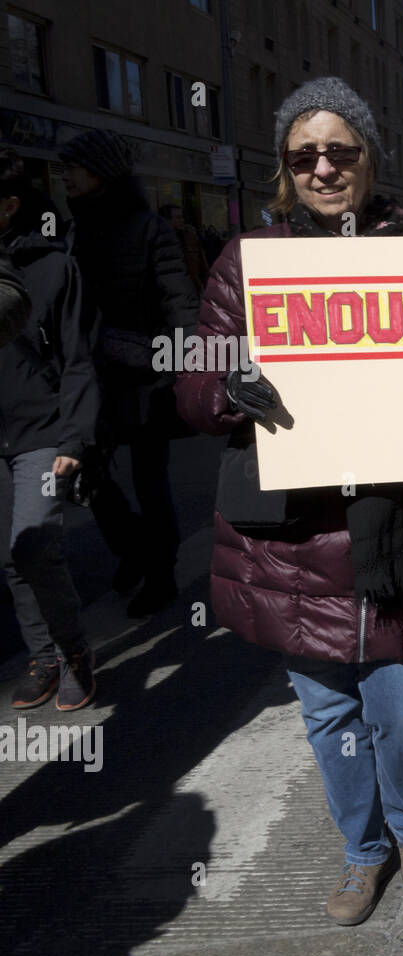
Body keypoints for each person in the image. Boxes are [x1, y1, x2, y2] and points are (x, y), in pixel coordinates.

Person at [175, 77, 403, 927]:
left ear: (371, 160)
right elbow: (192, 394)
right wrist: (234, 384)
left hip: (396, 530)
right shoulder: (247, 263)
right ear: (285, 170)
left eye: (342, 151)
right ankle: (362, 849)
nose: (324, 168)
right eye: (306, 155)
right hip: (292, 540)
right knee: (330, 709)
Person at [60, 130, 197, 617]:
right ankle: (134, 549)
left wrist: (187, 368)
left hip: (145, 378)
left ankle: (161, 573)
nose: (65, 177)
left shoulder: (148, 228)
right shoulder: (73, 229)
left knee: (149, 480)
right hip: (90, 378)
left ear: (100, 171)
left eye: (72, 167)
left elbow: (180, 302)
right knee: (87, 475)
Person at [0, 148, 99, 712]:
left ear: (10, 205)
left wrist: (73, 438)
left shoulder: (52, 265)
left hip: (42, 432)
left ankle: (73, 652)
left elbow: (78, 358)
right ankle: (42, 655)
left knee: (35, 546)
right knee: (9, 556)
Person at [160, 205, 209, 293]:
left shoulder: (189, 237)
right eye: (178, 218)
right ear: (167, 220)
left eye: (182, 217)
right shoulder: (161, 241)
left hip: (192, 287)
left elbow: (201, 262)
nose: (182, 220)